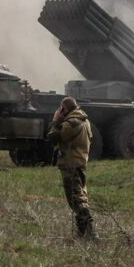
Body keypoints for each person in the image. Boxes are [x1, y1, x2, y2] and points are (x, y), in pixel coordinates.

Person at [48, 96, 96, 239]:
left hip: (71, 164)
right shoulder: (84, 120)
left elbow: (52, 137)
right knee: (80, 195)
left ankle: (89, 230)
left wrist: (56, 120)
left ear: (64, 109)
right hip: (79, 162)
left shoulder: (71, 123)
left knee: (76, 198)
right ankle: (82, 232)